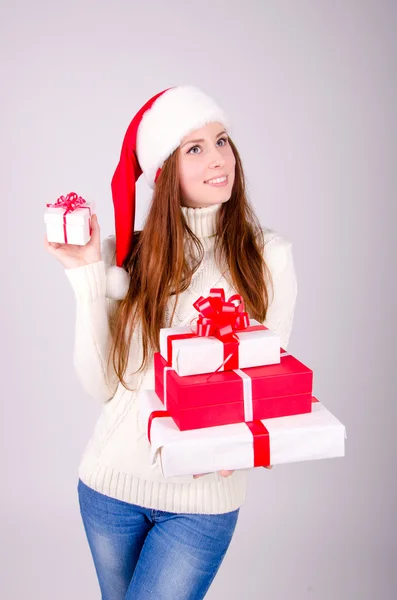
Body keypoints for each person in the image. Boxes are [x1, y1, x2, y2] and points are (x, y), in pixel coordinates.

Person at [45, 85, 298, 600]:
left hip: (201, 503)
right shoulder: (132, 256)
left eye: (222, 140)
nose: (218, 159)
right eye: (195, 148)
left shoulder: (269, 257)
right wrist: (87, 275)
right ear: (163, 173)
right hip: (108, 488)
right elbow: (101, 385)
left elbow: (266, 384)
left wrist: (240, 441)